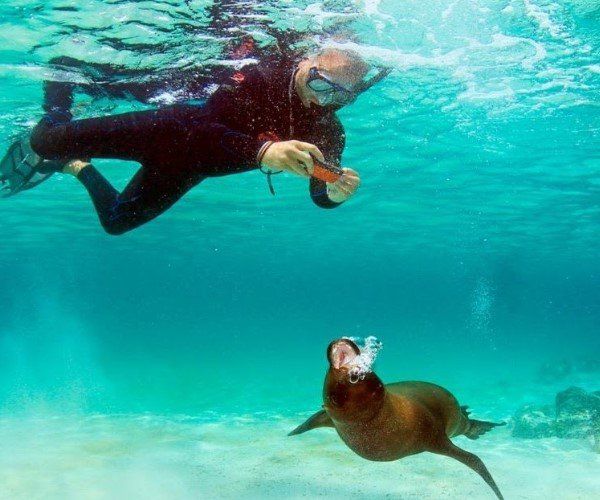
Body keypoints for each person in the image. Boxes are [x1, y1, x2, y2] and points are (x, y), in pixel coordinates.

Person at [1, 47, 389, 235]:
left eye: (339, 96)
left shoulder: (328, 131)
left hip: (191, 166)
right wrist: (265, 152)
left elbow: (320, 190)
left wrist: (334, 193)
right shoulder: (258, 75)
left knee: (117, 222)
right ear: (308, 61)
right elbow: (203, 129)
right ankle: (68, 76)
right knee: (48, 139)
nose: (322, 99)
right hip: (170, 128)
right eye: (320, 84)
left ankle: (77, 167)